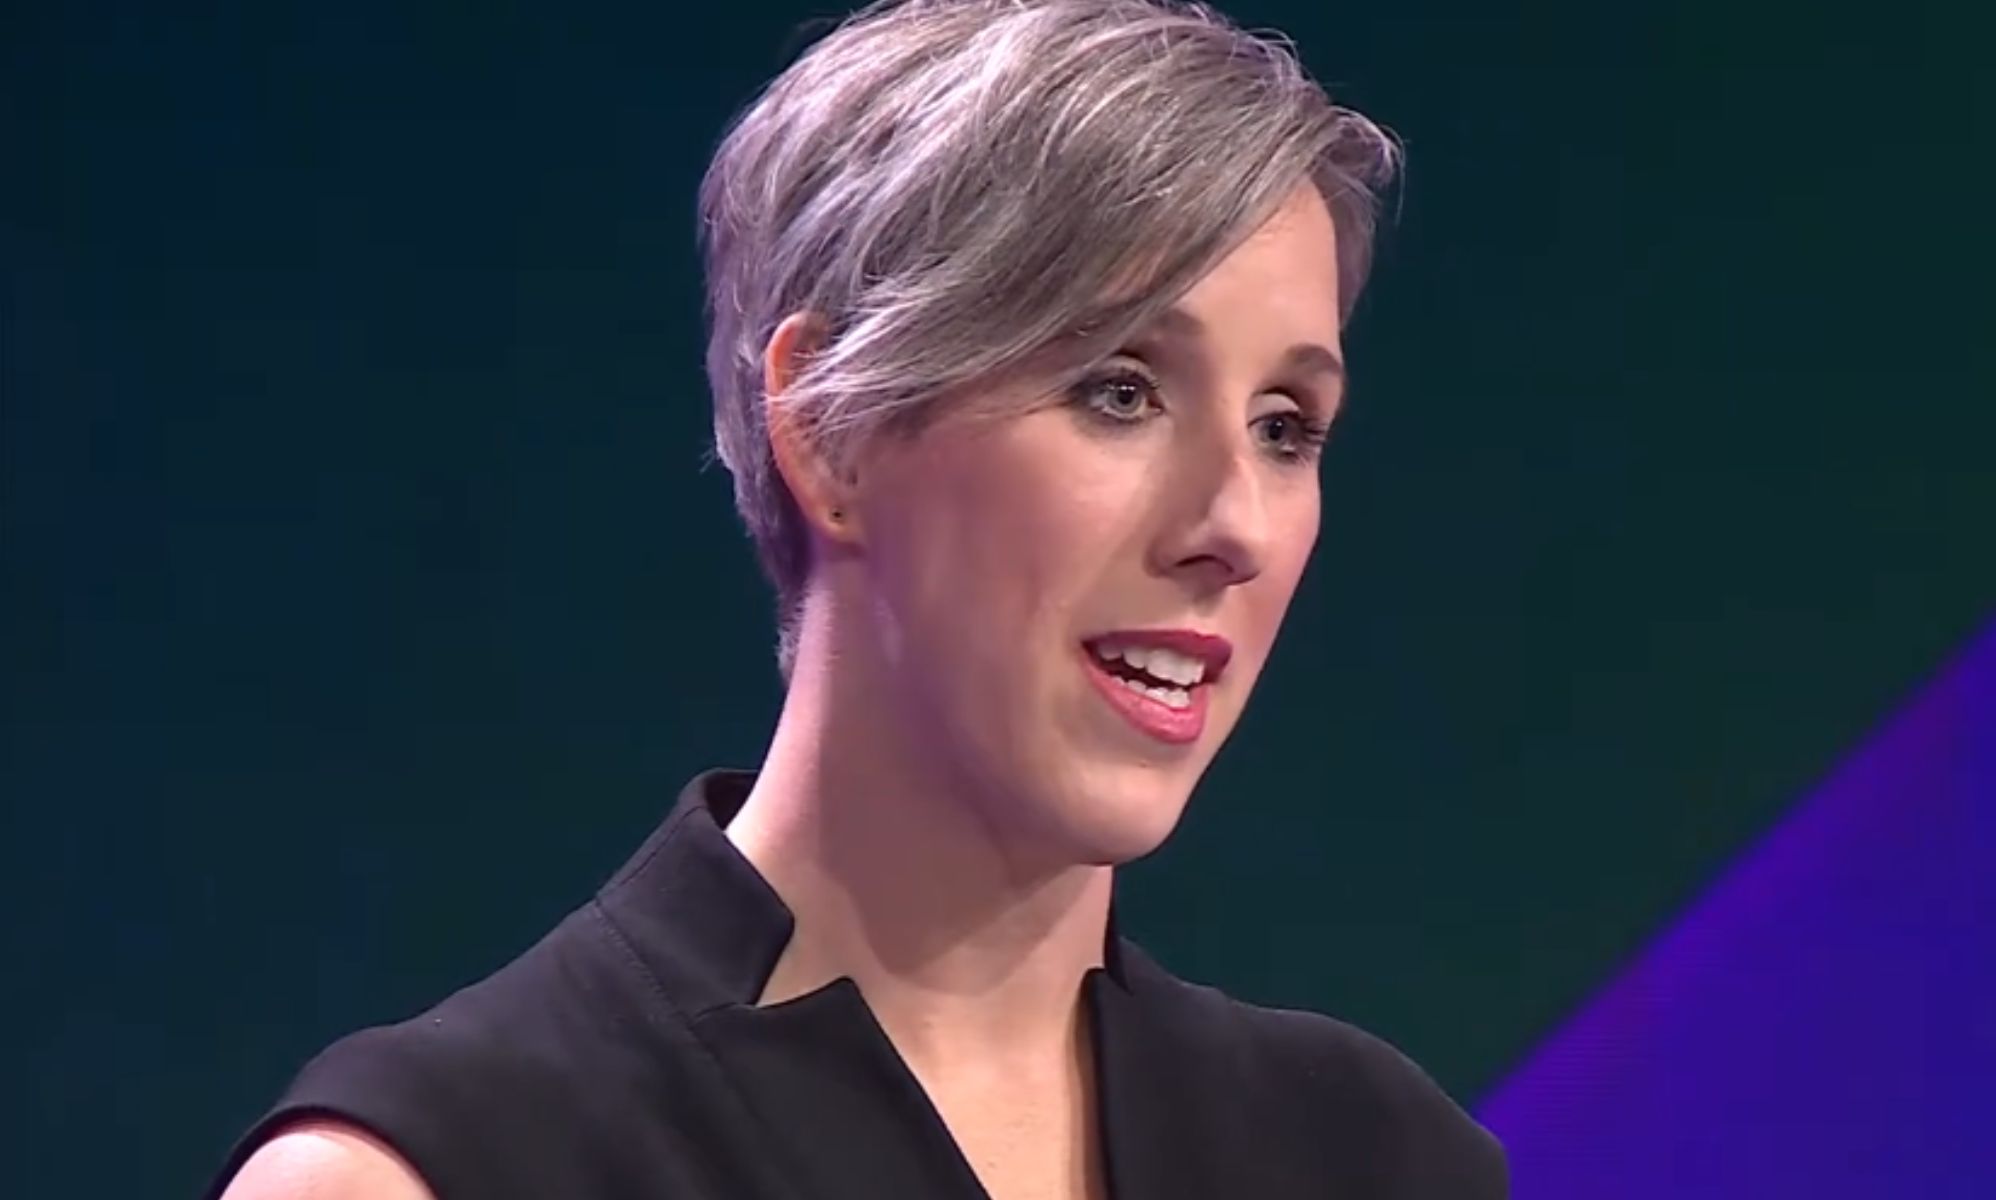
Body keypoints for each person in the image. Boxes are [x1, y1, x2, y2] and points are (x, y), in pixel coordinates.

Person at [209, 1, 1508, 1197]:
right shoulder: (439, 1172)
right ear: (826, 429)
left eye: (1287, 425)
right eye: (1121, 390)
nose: (1234, 525)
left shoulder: (1373, 1157)